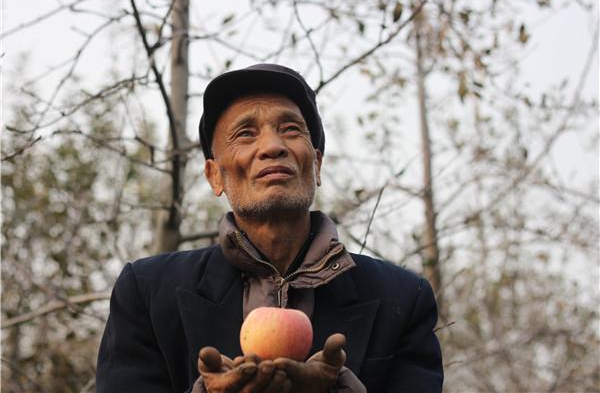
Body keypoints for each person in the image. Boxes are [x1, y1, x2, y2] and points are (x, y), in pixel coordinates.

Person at [96, 63, 443, 393]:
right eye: (245, 134)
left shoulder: (402, 298)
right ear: (215, 175)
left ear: (317, 164)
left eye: (290, 129)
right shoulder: (148, 293)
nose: (273, 146)